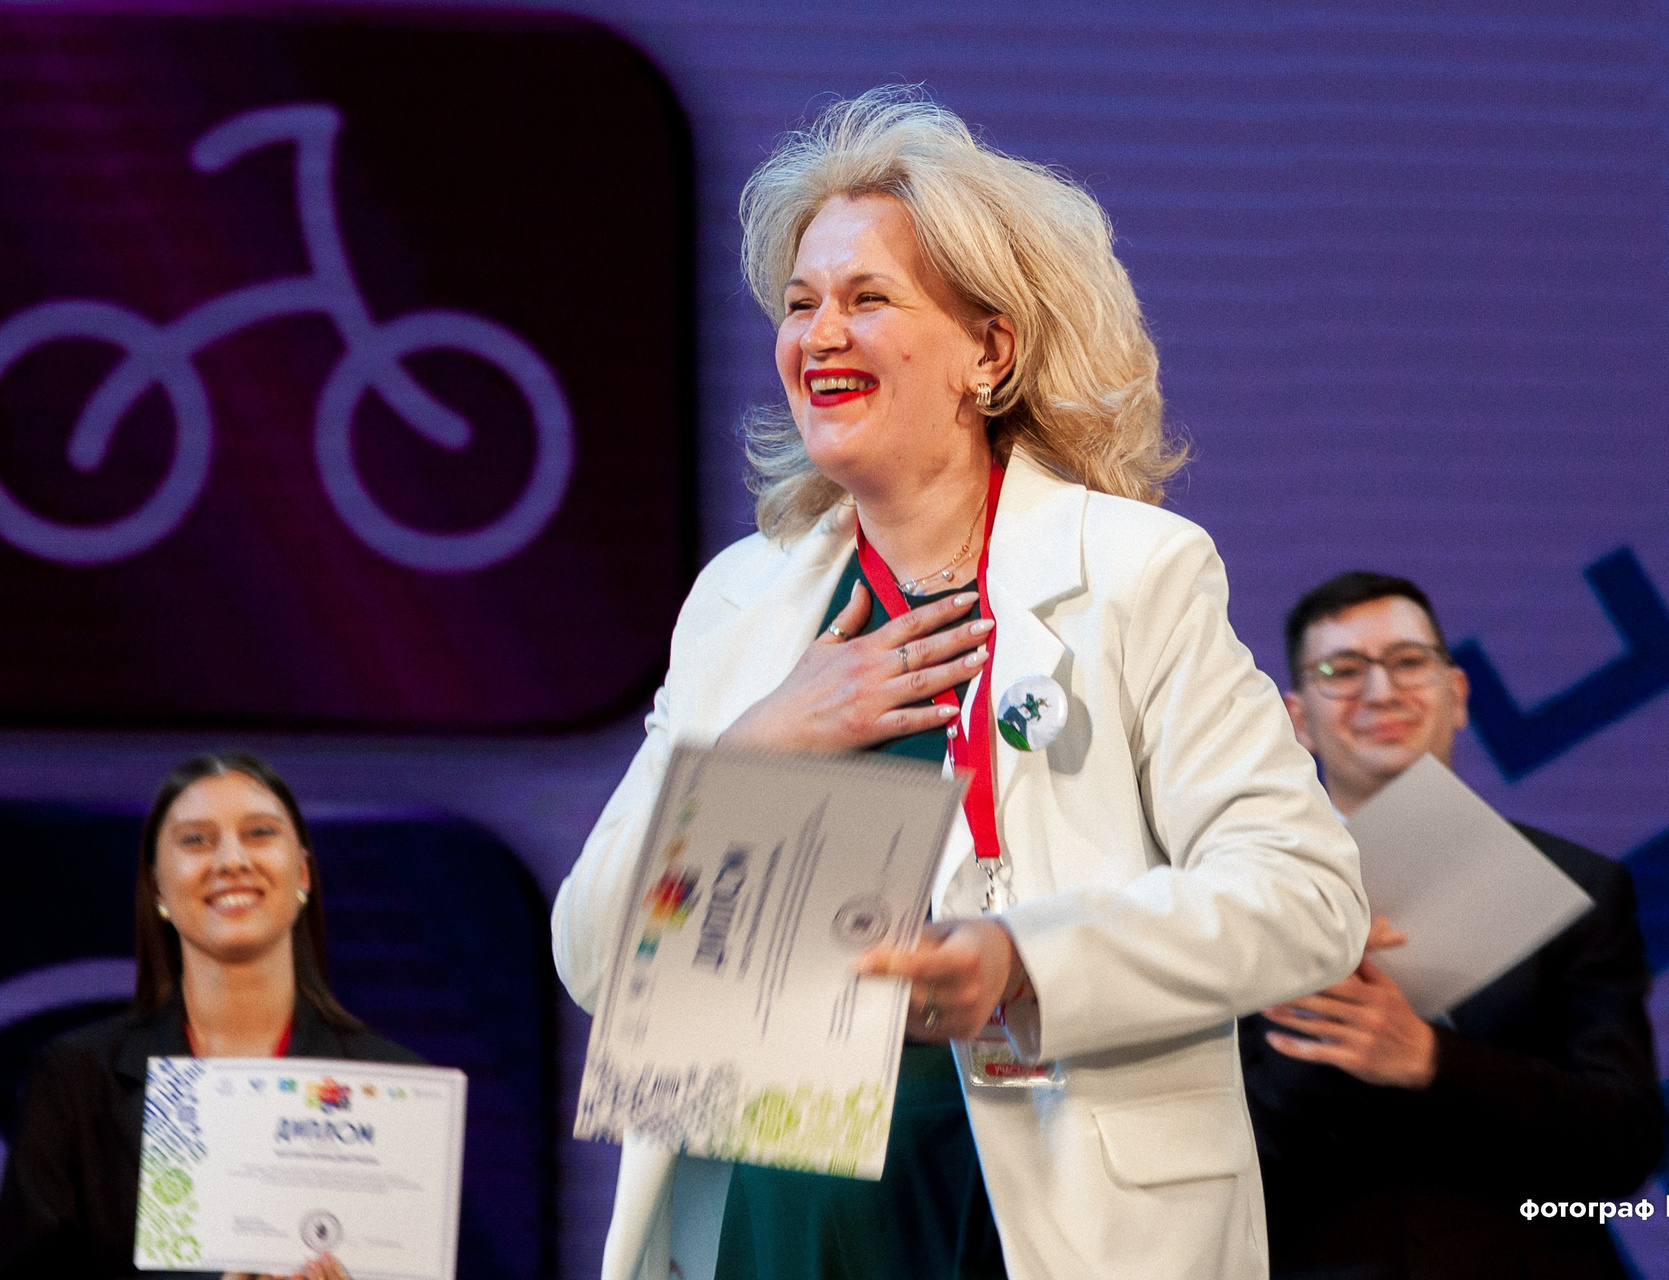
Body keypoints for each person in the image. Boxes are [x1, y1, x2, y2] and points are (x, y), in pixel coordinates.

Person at [552, 87, 1368, 1280]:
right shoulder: (742, 600)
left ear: (990, 350)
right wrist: (757, 747)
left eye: (867, 298)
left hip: (1043, 1216)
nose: (819, 335)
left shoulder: (1132, 571)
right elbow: (591, 952)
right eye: (800, 304)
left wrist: (1022, 957)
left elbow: (1306, 894)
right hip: (783, 1222)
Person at [1240, 571, 1667, 1279]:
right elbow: (1224, 1157)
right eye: (1342, 671)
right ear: (1298, 718)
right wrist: (1317, 1005)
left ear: (1458, 694)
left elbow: (1625, 1143)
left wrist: (1430, 1060)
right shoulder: (1238, 901)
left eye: (1409, 661)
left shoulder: (1579, 888)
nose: (1381, 691)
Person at [0, 753, 419, 1280]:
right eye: (196, 840)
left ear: (303, 874)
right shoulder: (76, 1082)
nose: (231, 860)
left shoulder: (397, 1089)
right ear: (158, 888)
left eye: (260, 833)